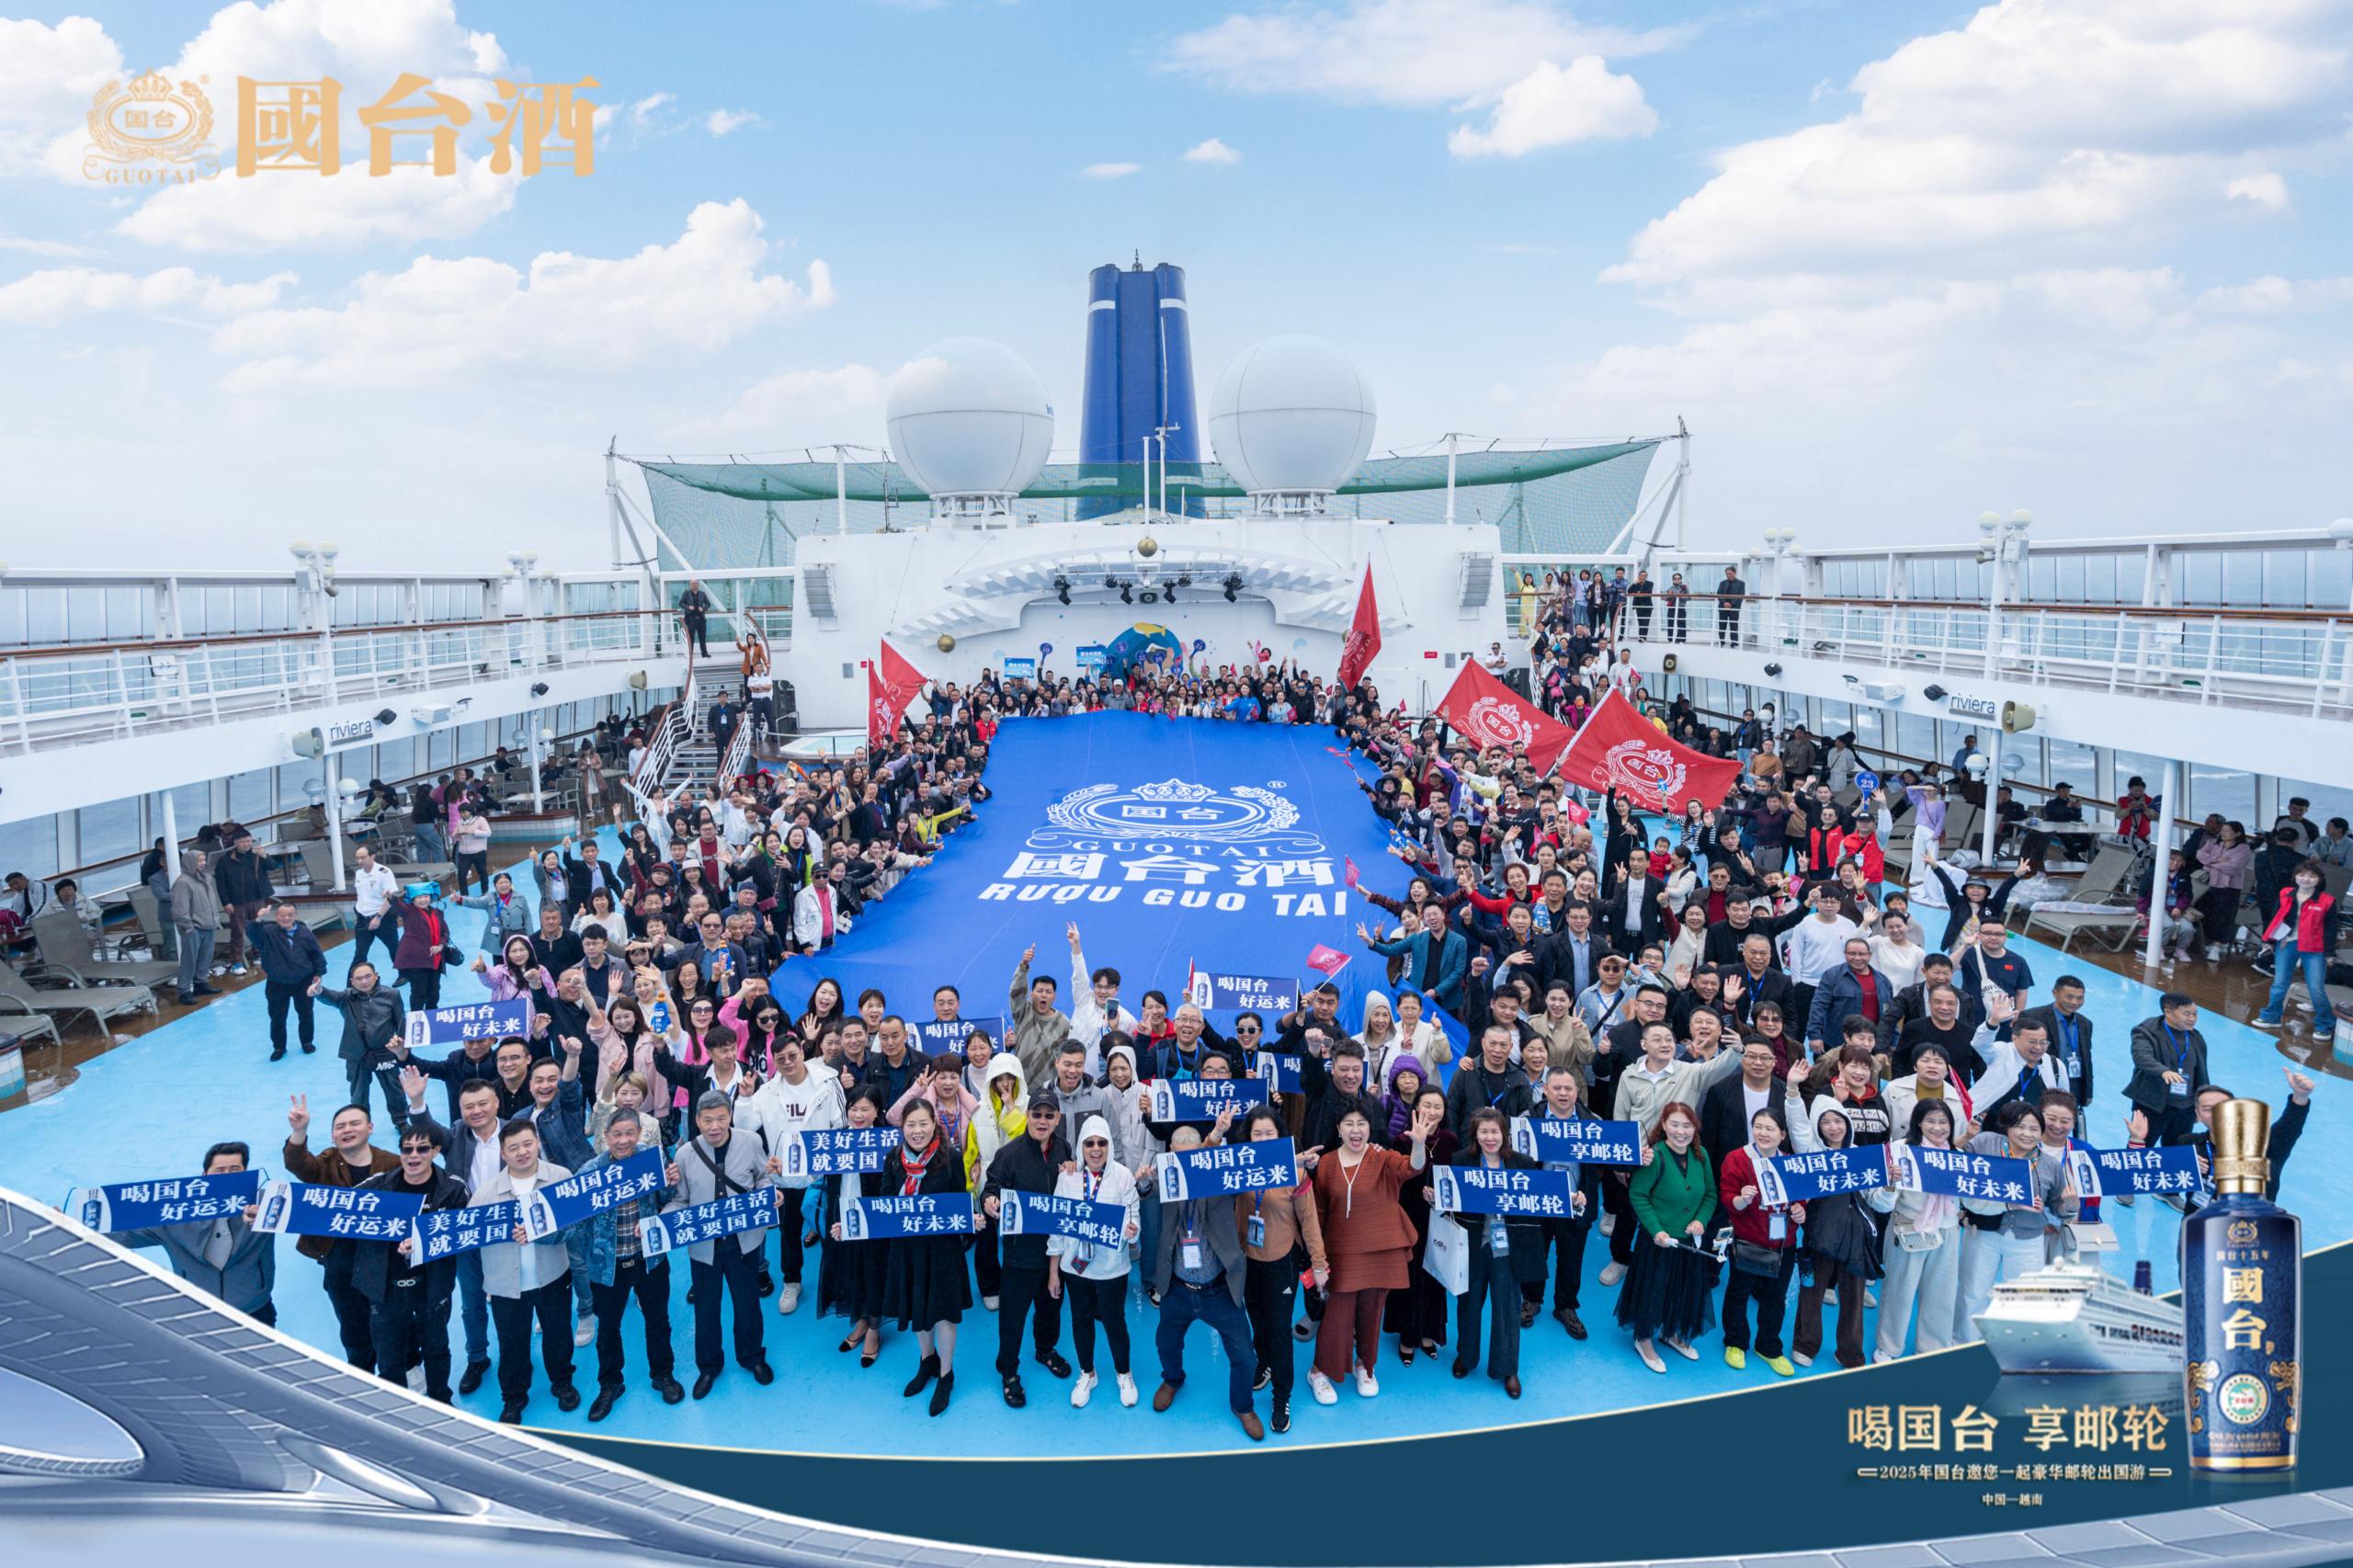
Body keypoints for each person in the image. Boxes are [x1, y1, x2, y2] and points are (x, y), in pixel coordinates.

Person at [1310, 1098, 1436, 1402]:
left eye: (1361, 1124)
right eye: (1349, 1124)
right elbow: (1319, 1212)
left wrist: (1419, 1145)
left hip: (1380, 1250)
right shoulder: (1326, 1163)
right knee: (1337, 1315)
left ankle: (1365, 1366)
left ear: (1370, 1128)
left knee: (1372, 1311)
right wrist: (1318, 1258)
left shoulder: (1381, 1157)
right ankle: (1319, 1371)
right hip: (1341, 1252)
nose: (1355, 1130)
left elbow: (1412, 1168)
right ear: (1338, 1128)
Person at [1149, 1120, 1267, 1442]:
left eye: (1193, 1156)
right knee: (1165, 1342)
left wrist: (1290, 1163)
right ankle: (1173, 1379)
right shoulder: (1168, 1180)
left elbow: (1255, 1168)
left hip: (1219, 1289)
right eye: (1180, 1156)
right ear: (1170, 1153)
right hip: (1177, 1288)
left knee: (1244, 1355)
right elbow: (1148, 1190)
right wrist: (1144, 1182)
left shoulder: (1218, 1179)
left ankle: (1243, 1406)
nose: (1186, 1163)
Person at [665, 1089, 776, 1399]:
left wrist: (770, 1194)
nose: (714, 1126)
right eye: (707, 1120)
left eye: (721, 1118)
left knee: (748, 1303)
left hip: (744, 1242)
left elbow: (762, 1178)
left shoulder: (750, 1142)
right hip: (705, 1247)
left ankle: (752, 1356)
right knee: (706, 1308)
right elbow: (681, 1201)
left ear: (730, 1116)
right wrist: (660, 1224)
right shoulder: (685, 1154)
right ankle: (709, 1366)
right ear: (697, 1120)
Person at [352, 1117, 471, 1403]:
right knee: (389, 1357)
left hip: (432, 1286)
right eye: (407, 1149)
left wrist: (424, 1244)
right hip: (386, 1289)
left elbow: (464, 1231)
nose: (413, 1155)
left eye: (422, 1149)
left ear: (436, 1151)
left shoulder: (453, 1188)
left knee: (436, 1349)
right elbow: (331, 1209)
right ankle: (396, 1408)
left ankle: (442, 1401)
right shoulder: (377, 1187)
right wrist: (270, 1209)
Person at [471, 1119, 581, 1422]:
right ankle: (514, 1397)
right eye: (513, 1148)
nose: (522, 1152)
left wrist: (541, 1231)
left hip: (553, 1275)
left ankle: (562, 1382)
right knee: (512, 1342)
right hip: (506, 1284)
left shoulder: (560, 1178)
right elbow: (464, 1234)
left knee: (558, 1333)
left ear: (538, 1143)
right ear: (503, 1154)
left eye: (527, 1144)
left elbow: (574, 1225)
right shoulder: (485, 1194)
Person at [281, 1095, 401, 1372]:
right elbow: (298, 1164)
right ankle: (360, 1369)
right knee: (351, 1321)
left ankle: (405, 1365)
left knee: (394, 1316)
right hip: (339, 1258)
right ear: (333, 1135)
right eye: (340, 1126)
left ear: (370, 1128)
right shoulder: (325, 1162)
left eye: (354, 1123)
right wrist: (299, 1131)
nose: (347, 1130)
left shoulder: (392, 1163)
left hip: (384, 1257)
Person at [877, 1096, 974, 1418]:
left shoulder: (950, 1157)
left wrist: (972, 1219)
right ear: (902, 1127)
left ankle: (946, 1373)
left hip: (943, 1251)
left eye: (923, 1123)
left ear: (934, 1124)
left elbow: (960, 1201)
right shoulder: (893, 1159)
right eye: (911, 1124)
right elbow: (884, 1203)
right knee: (917, 1306)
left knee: (944, 1313)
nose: (917, 1131)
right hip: (907, 1250)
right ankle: (926, 1360)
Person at [1951, 1100, 2075, 1342]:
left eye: (2034, 1129)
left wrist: (2070, 1206)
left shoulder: (2050, 1165)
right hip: (1983, 1231)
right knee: (1973, 1292)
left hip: (2027, 1237)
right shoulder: (1985, 1143)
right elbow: (1954, 1162)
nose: (2027, 1134)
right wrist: (1966, 1137)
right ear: (2006, 1127)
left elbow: (2057, 1207)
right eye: (2020, 1126)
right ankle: (1963, 1342)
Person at [113, 1141, 276, 1323]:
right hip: (196, 1311)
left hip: (255, 1309)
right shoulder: (175, 1213)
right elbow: (126, 1236)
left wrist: (270, 1218)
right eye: (219, 1171)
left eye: (235, 1170)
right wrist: (90, 1226)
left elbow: (298, 1216)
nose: (227, 1177)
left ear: (246, 1173)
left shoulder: (267, 1205)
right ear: (204, 1176)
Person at [1046, 1111, 1143, 1413]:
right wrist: (1054, 1273)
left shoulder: (1123, 1176)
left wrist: (1132, 1232)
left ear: (1109, 1145)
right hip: (1075, 1268)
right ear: (1081, 1147)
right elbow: (1057, 1227)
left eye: (1102, 1143)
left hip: (1112, 1269)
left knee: (1115, 1322)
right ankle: (1087, 1373)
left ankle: (1124, 1373)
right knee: (1080, 1320)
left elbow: (1132, 1217)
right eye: (1089, 1143)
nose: (1096, 1149)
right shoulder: (1068, 1177)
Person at [979, 1093, 1073, 1406]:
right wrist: (990, 1202)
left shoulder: (1064, 1149)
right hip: (1020, 1253)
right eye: (1037, 1115)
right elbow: (990, 1190)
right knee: (1013, 1315)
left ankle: (1045, 1349)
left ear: (1058, 1119)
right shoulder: (1009, 1154)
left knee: (1051, 1307)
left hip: (1055, 1252)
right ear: (1027, 1116)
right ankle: (1008, 1370)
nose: (1042, 1121)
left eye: (1049, 1115)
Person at [1449, 1108, 1542, 1398]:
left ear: (1505, 1134)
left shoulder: (1523, 1163)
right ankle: (1466, 1356)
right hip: (1472, 1244)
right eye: (1484, 1132)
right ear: (1475, 1134)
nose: (1490, 1137)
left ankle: (1508, 1368)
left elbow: (1540, 1198)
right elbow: (1450, 1197)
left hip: (1507, 1247)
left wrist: (1571, 1198)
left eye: (1495, 1132)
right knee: (1468, 1303)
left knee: (1507, 1308)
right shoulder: (1460, 1161)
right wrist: (1434, 1195)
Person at [1788, 1098, 1880, 1369]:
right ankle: (1805, 1344)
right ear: (1817, 1127)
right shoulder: (1812, 1151)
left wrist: (1889, 1187)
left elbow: (1876, 1200)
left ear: (1847, 1123)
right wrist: (1793, 1092)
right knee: (1812, 1290)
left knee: (1853, 1296)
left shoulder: (1860, 1155)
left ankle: (1850, 1352)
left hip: (1855, 1236)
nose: (1833, 1127)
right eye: (1825, 1122)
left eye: (1838, 1120)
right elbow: (1797, 1125)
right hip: (1820, 1234)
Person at [1869, 1101, 1963, 1362]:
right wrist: (1891, 1184)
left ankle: (1933, 1347)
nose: (1937, 1128)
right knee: (1899, 1290)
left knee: (1941, 1293)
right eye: (1930, 1121)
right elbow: (1880, 1203)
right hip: (1908, 1227)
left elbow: (1970, 1199)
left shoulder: (1958, 1155)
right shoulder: (1900, 1150)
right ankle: (1888, 1346)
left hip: (1947, 1230)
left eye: (1943, 1122)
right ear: (1918, 1122)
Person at [1716, 1106, 1803, 1376]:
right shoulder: (1737, 1159)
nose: (1763, 1133)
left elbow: (1801, 1197)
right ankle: (1735, 1341)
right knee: (1738, 1292)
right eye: (1758, 1127)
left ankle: (1769, 1346)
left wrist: (1800, 1210)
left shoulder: (1790, 1162)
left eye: (1770, 1128)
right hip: (1747, 1241)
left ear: (1782, 1134)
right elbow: (1727, 1198)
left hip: (1784, 1244)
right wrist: (1742, 1199)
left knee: (1776, 1297)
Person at [311, 962, 410, 1131]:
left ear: (376, 976)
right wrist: (319, 990)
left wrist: (404, 1051)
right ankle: (360, 1124)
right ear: (352, 982)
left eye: (368, 976)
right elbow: (331, 996)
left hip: (386, 1051)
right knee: (358, 1093)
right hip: (357, 1054)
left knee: (394, 1090)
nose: (364, 981)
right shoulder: (346, 997)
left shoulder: (392, 994)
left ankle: (401, 1121)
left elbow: (401, 1022)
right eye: (359, 978)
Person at [2255, 859, 2339, 1036]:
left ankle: (2325, 1024)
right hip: (2287, 943)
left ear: (2319, 879)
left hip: (2315, 947)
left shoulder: (2327, 901)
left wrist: (2329, 952)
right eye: (2302, 875)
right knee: (2279, 983)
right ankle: (2271, 1016)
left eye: (2312, 876)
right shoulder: (2285, 893)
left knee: (2315, 988)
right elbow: (2276, 917)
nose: (2306, 879)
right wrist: (2269, 940)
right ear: (2295, 877)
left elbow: (2331, 929)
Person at [2125, 993, 2210, 1145]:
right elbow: (2142, 1057)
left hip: (2185, 1108)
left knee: (2177, 1151)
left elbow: (2201, 1072)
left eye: (2195, 1013)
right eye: (2187, 1014)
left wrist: (2201, 1102)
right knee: (2141, 1146)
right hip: (2152, 1105)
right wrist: (2163, 1071)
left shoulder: (2195, 1037)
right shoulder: (2146, 1031)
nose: (2192, 1018)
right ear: (2168, 1012)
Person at [247, 899, 326, 1060]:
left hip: (303, 981)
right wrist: (259, 918)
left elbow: (316, 953)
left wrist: (319, 973)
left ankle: (307, 1042)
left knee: (306, 1013)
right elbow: (252, 933)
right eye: (282, 915)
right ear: (276, 916)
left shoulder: (304, 932)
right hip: (277, 983)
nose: (286, 918)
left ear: (295, 916)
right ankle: (279, 1047)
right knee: (277, 1017)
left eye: (290, 915)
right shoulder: (268, 932)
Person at [212, 829, 274, 976]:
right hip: (237, 902)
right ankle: (236, 962)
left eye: (249, 841)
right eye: (243, 842)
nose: (247, 844)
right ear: (235, 843)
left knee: (259, 928)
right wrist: (226, 902)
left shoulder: (257, 855)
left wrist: (265, 856)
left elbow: (273, 866)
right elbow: (220, 884)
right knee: (238, 932)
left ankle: (259, 954)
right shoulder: (225, 860)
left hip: (257, 898)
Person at [170, 848, 222, 1005]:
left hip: (208, 924)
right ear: (191, 862)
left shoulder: (205, 878)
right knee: (189, 959)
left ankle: (200, 983)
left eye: (204, 860)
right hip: (193, 928)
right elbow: (180, 907)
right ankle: (184, 990)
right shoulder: (183, 882)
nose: (203, 863)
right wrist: (188, 927)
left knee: (206, 956)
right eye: (200, 860)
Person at [347, 844, 404, 978]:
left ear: (372, 856)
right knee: (360, 953)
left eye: (363, 858)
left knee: (394, 948)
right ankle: (352, 983)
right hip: (363, 919)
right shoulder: (359, 873)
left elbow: (391, 898)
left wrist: (378, 917)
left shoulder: (384, 873)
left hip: (383, 918)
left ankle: (404, 974)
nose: (359, 861)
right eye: (357, 858)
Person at [677, 579, 713, 657]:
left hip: (701, 619)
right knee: (691, 638)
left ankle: (704, 653)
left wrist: (703, 608)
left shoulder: (702, 594)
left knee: (702, 637)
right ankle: (690, 654)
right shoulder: (686, 594)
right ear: (690, 585)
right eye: (692, 583)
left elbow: (708, 604)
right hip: (691, 619)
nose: (694, 585)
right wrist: (688, 607)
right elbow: (680, 603)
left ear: (698, 585)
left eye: (695, 583)